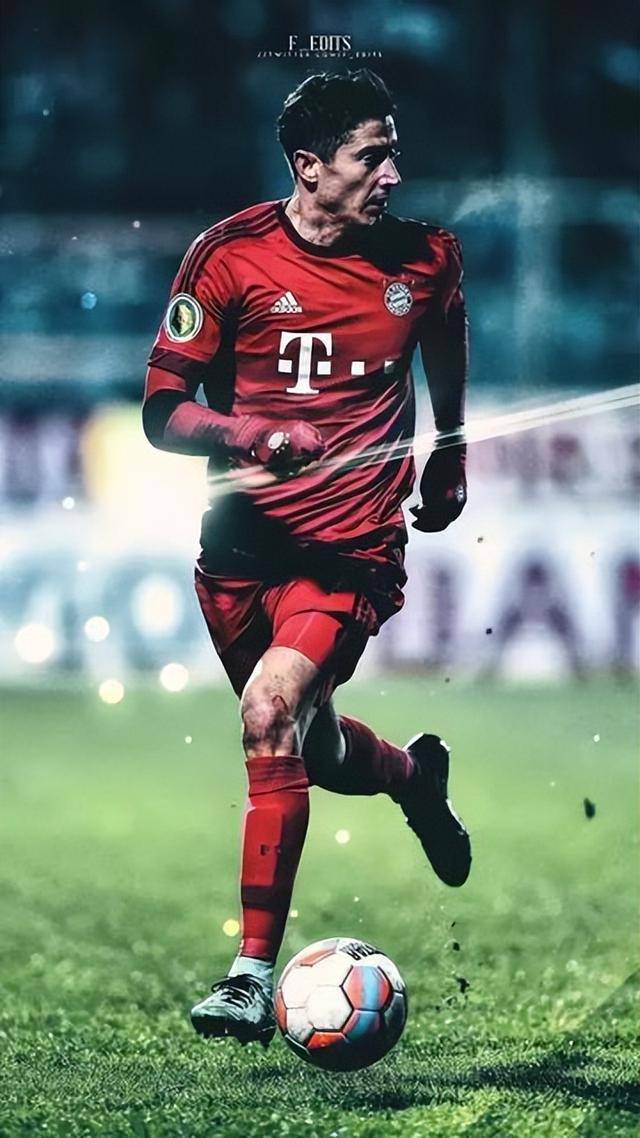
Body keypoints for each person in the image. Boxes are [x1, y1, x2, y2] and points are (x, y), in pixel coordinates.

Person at [143, 70, 471, 1048]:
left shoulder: (425, 258)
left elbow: (445, 335)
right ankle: (411, 777)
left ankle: (248, 977)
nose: (393, 174)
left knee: (268, 710)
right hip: (240, 549)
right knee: (310, 751)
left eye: (393, 153)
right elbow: (162, 412)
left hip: (350, 549)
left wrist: (449, 449)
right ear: (309, 166)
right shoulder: (228, 258)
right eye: (373, 155)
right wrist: (249, 434)